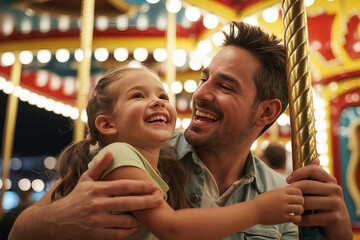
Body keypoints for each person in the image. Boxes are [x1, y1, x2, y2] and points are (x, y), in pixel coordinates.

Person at [9, 21, 353, 240]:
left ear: (266, 112)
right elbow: (22, 227)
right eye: (204, 79)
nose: (200, 94)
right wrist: (56, 220)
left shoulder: (284, 196)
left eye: (226, 86)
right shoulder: (136, 151)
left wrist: (336, 234)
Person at [52, 65, 305, 240]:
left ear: (267, 112)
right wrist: (257, 211)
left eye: (162, 95)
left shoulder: (155, 163)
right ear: (108, 125)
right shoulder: (118, 156)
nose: (159, 101)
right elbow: (171, 228)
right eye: (138, 96)